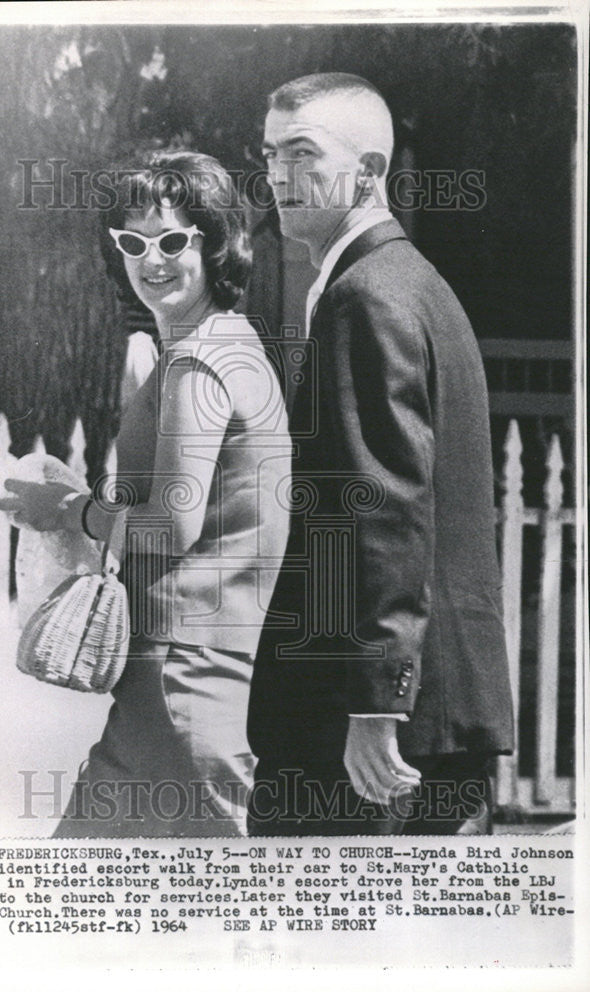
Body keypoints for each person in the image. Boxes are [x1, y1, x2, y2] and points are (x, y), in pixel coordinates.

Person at [247, 72, 515, 835]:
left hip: (368, 727)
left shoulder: (367, 295)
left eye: (302, 153)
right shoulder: (410, 284)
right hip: (430, 708)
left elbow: (386, 507)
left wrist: (376, 703)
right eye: (269, 153)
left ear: (369, 172)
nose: (277, 175)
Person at [0, 151, 291, 836]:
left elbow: (172, 525)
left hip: (175, 678)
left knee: (119, 908)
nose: (150, 259)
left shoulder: (196, 361)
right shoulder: (234, 342)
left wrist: (69, 511)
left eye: (172, 240)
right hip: (190, 672)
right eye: (131, 242)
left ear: (214, 241)